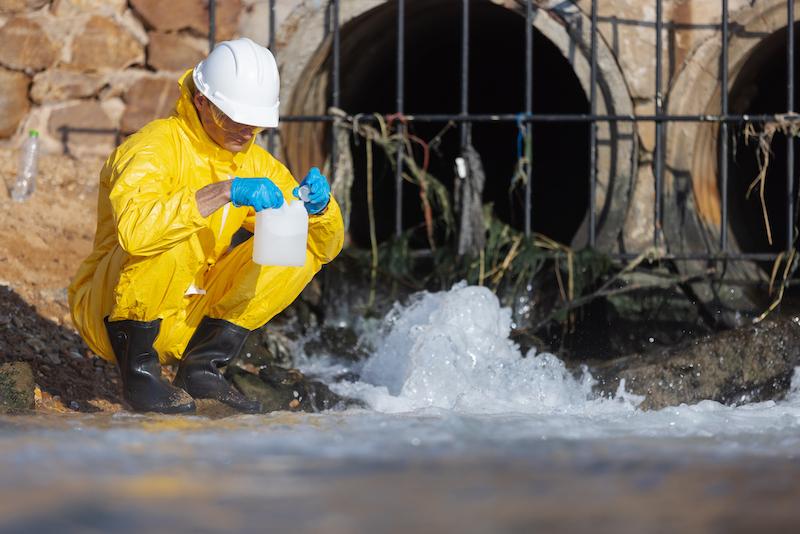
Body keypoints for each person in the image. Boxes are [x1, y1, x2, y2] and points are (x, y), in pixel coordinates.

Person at [68, 38, 344, 414]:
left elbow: (324, 249)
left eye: (256, 122)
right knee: (176, 229)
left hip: (190, 314)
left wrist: (319, 210)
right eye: (236, 117)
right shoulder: (152, 148)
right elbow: (136, 233)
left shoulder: (253, 161)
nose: (247, 131)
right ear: (201, 100)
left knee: (299, 245)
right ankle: (140, 374)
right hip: (114, 314)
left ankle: (202, 367)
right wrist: (225, 191)